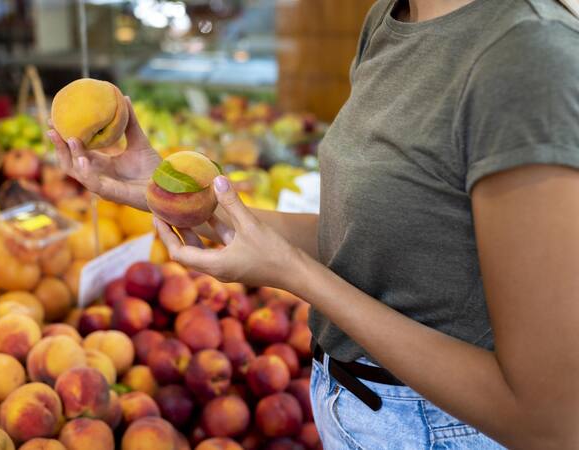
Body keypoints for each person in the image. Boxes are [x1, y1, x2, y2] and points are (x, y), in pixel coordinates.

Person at [48, 0, 579, 447]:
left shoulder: (526, 58)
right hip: (352, 408)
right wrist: (167, 193)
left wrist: (294, 275)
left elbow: (550, 420)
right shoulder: (392, 19)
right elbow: (370, 239)